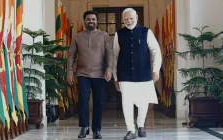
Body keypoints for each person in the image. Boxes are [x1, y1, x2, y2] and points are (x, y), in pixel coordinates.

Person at [113, 8, 162, 140]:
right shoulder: (119, 34)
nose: (129, 21)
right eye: (126, 19)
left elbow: (156, 51)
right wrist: (115, 77)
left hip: (144, 72)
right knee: (126, 102)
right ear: (123, 20)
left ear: (136, 17)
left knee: (143, 101)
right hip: (125, 74)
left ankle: (141, 125)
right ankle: (131, 129)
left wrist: (155, 69)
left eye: (131, 18)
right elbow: (115, 57)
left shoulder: (146, 31)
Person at [67, 10, 113, 139]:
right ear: (85, 21)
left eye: (93, 19)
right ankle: (84, 127)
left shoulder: (104, 36)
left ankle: (97, 130)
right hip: (83, 73)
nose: (91, 21)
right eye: (88, 19)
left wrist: (109, 69)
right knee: (83, 100)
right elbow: (71, 55)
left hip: (100, 74)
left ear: (96, 21)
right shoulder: (78, 36)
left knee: (99, 102)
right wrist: (70, 72)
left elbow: (110, 53)